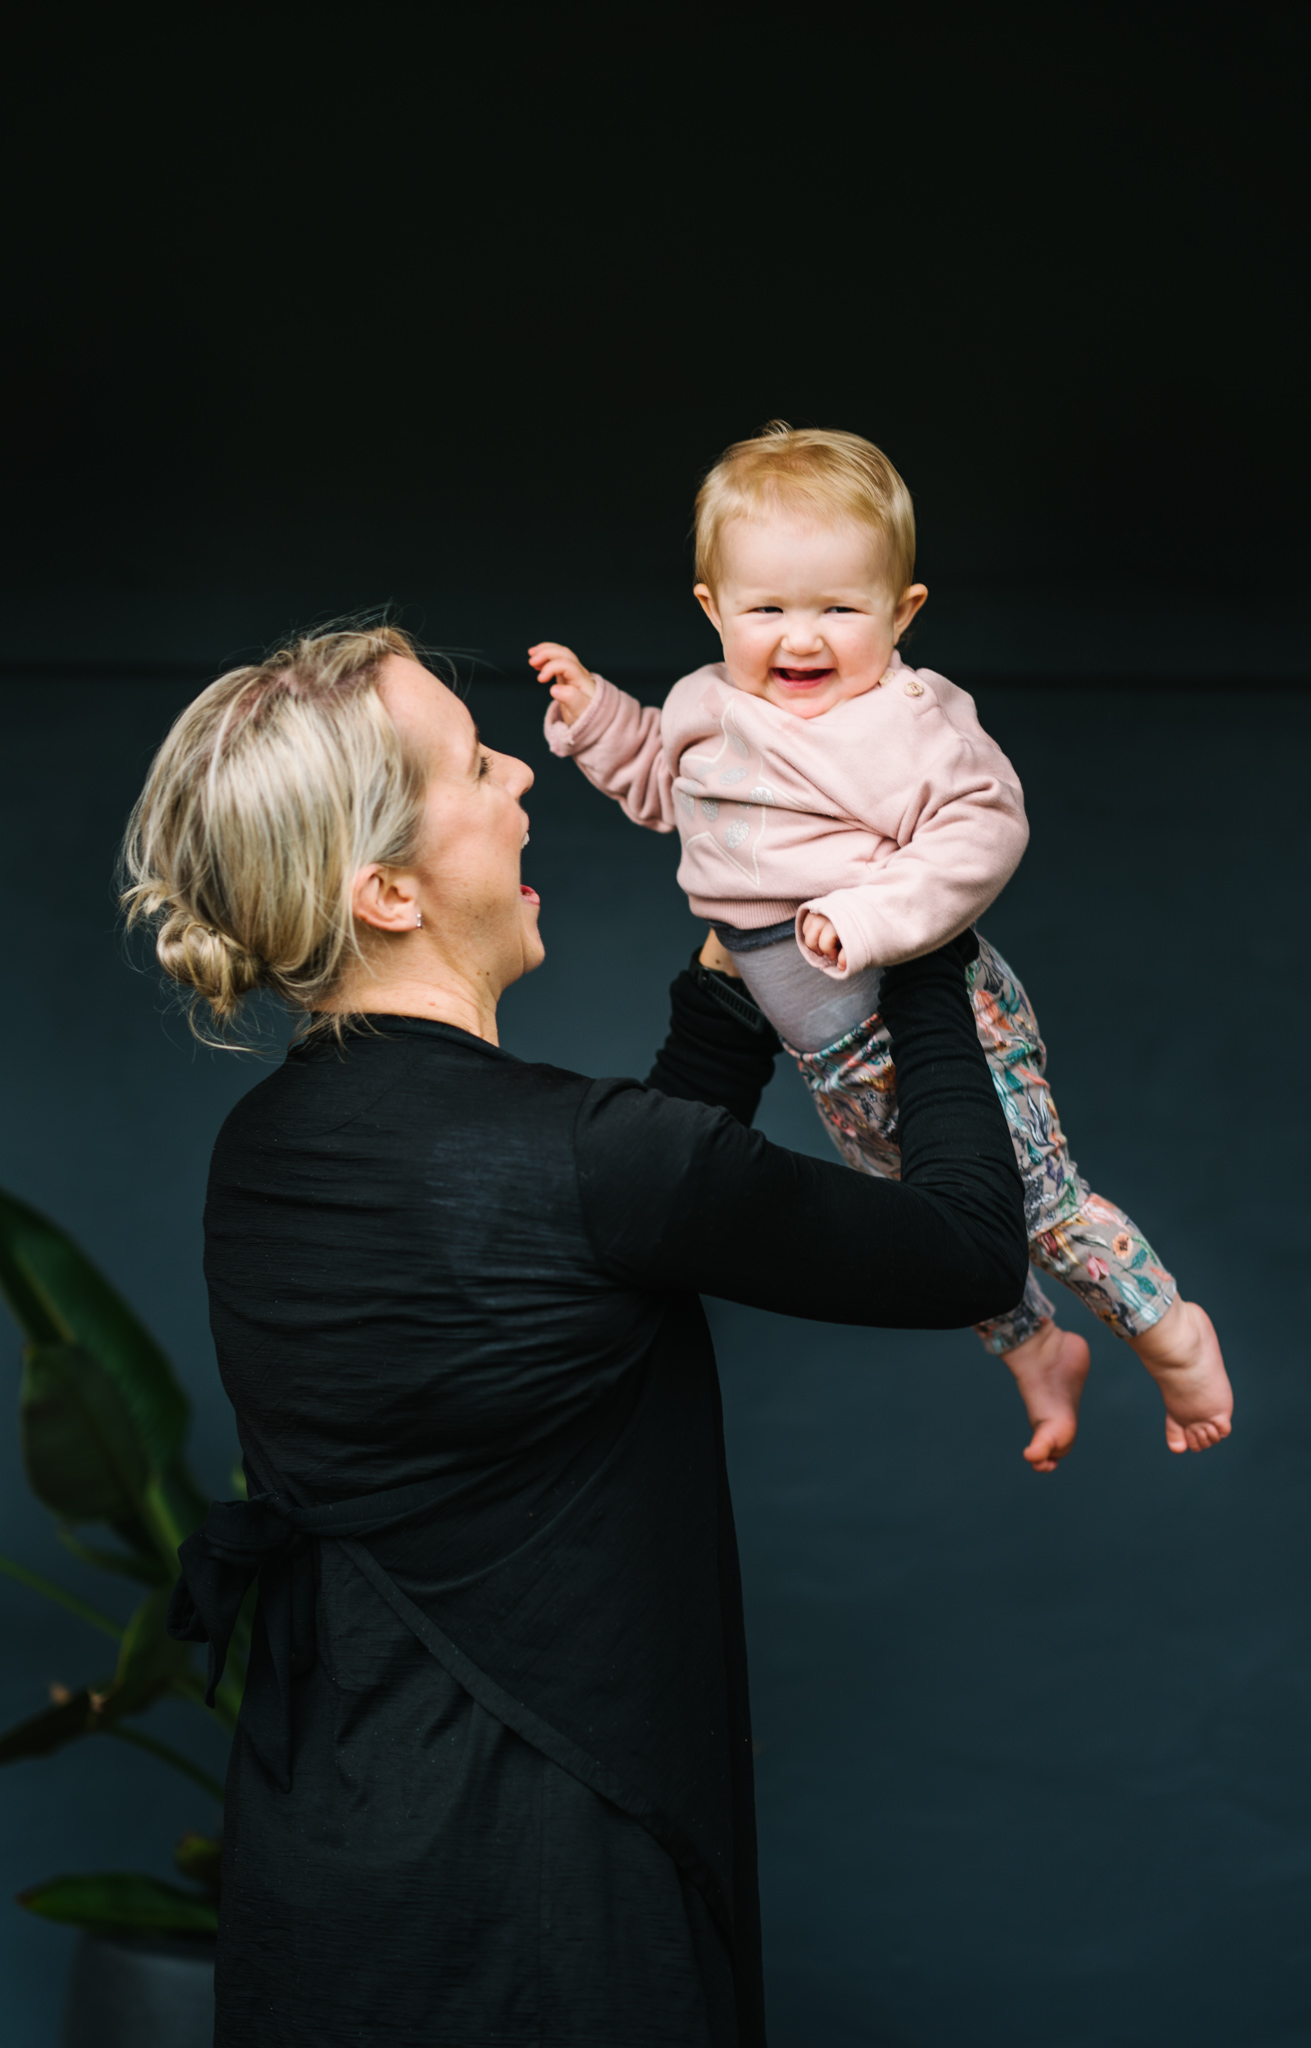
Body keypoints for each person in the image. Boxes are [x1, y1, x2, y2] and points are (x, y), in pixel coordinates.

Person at [120, 622, 1026, 2048]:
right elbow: (971, 1246)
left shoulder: (272, 1149)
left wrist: (741, 963)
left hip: (333, 1865)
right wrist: (920, 932)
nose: (521, 783)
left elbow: (585, 1249)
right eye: (477, 766)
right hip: (555, 1905)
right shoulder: (591, 1167)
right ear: (391, 890)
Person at [530, 422, 1234, 1474]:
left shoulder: (909, 721)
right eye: (766, 607)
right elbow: (656, 788)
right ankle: (1036, 1350)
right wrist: (594, 719)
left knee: (1035, 1197)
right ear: (712, 609)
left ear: (901, 613)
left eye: (838, 608)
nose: (800, 638)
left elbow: (984, 828)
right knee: (931, 1220)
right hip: (828, 1051)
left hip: (927, 1006)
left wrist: (873, 917)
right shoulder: (703, 708)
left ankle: (1171, 1329)